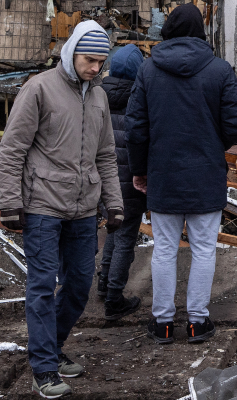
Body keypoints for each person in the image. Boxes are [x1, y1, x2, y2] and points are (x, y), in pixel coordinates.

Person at [0, 20, 123, 398]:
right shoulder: (39, 89)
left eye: (101, 62)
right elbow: (11, 150)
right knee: (40, 286)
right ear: (71, 53)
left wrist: (113, 204)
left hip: (83, 210)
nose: (95, 68)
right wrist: (10, 203)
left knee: (81, 284)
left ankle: (52, 346)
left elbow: (106, 156)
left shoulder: (98, 96)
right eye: (89, 60)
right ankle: (44, 368)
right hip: (42, 207)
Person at [127, 4, 237, 345]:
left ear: (167, 30)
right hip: (205, 172)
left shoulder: (148, 71)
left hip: (162, 174)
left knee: (164, 249)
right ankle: (197, 322)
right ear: (200, 32)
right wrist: (213, 144)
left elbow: (136, 128)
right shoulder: (220, 70)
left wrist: (139, 169)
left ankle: (163, 323)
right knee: (204, 250)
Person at [96, 44, 147, 320]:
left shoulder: (97, 96)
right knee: (126, 236)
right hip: (131, 180)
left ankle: (104, 284)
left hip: (104, 181)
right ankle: (115, 298)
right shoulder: (138, 99)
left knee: (113, 230)